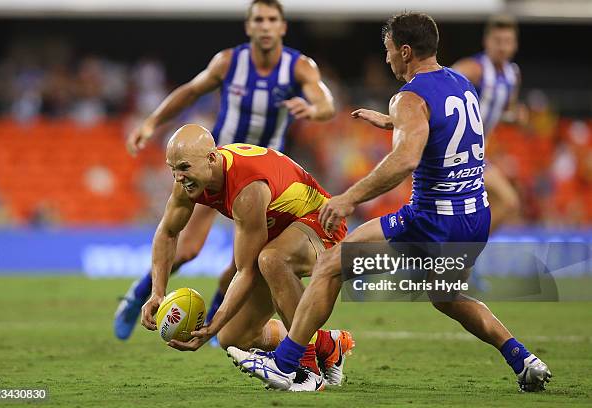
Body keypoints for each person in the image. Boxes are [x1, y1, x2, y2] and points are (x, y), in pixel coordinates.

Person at [227, 12, 552, 393]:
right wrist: (394, 123)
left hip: (431, 219)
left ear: (405, 50)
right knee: (446, 296)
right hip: (475, 217)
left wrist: (349, 198)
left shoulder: (410, 97)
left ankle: (287, 364)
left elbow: (405, 160)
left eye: (388, 51)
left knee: (331, 265)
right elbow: (445, 129)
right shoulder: (462, 83)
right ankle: (522, 359)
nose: (386, 60)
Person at [114, 0, 335, 341]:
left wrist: (314, 110)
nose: (264, 26)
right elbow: (191, 90)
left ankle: (222, 332)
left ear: (282, 27)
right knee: (187, 249)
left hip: (259, 178)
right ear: (248, 27)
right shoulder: (230, 61)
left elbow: (325, 102)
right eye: (258, 19)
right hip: (212, 167)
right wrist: (152, 122)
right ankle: (139, 296)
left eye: (271, 19)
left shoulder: (298, 66)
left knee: (242, 267)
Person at [140, 124, 353, 391]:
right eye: (173, 169)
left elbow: (246, 271)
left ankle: (306, 369)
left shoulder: (246, 188)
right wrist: (157, 293)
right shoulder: (190, 180)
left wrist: (213, 324)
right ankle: (327, 345)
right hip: (279, 233)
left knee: (272, 259)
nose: (178, 177)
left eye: (183, 167)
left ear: (211, 158)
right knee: (234, 337)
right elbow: (168, 232)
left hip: (322, 221)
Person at [452, 15, 522, 233]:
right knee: (504, 201)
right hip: (454, 152)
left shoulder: (513, 75)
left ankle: (462, 251)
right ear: (487, 42)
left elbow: (505, 113)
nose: (502, 47)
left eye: (507, 41)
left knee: (508, 203)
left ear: (515, 44)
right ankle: (460, 252)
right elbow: (438, 84)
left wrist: (517, 117)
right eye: (497, 41)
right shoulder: (474, 68)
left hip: (476, 156)